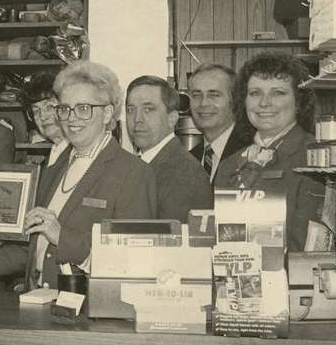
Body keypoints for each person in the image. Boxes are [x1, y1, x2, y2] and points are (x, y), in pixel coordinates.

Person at [0, 60, 158, 287]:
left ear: (108, 113)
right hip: (40, 303)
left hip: (88, 312)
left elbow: (133, 263)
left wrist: (62, 237)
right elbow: (37, 245)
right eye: (64, 108)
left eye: (83, 108)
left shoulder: (134, 173)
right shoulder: (54, 167)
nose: (71, 118)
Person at [215, 53, 323, 253]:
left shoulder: (314, 159)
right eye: (255, 93)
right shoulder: (229, 165)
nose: (264, 103)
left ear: (299, 102)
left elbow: (308, 249)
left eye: (278, 93)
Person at [125, 76, 213, 223]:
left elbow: (169, 242)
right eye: (130, 109)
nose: (137, 119)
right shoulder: (136, 165)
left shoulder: (186, 175)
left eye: (148, 109)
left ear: (172, 118)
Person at [187, 63, 250, 184]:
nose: (203, 103)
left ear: (235, 100)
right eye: (196, 95)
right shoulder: (188, 160)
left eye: (214, 95)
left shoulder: (253, 155)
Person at [23, 70, 67, 167]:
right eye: (36, 111)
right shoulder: (54, 154)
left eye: (49, 107)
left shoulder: (78, 154)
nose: (42, 117)